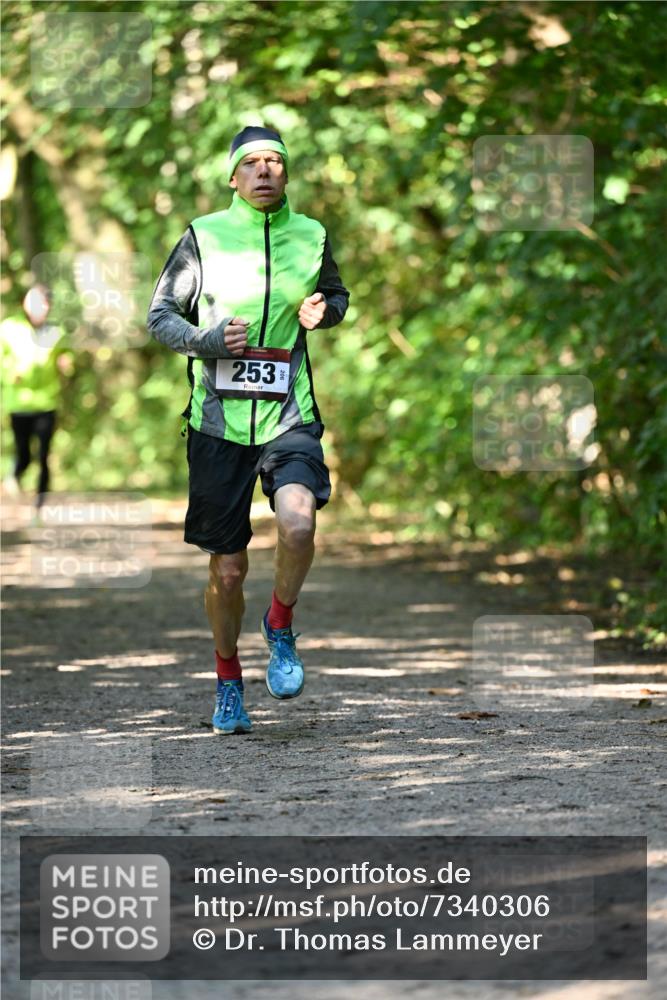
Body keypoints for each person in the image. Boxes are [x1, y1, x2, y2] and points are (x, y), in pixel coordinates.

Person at [147, 125, 350, 735]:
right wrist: (205, 341)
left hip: (290, 415)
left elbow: (334, 296)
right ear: (233, 177)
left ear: (286, 174)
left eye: (275, 162)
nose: (264, 171)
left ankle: (280, 623)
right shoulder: (202, 237)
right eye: (252, 163)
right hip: (218, 426)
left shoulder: (310, 235)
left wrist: (324, 311)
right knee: (227, 571)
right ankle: (228, 678)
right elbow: (160, 317)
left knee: (298, 521)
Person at [1, 284, 67, 513]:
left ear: (48, 306)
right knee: (24, 454)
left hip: (47, 402)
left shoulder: (56, 332)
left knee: (44, 455)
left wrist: (67, 364)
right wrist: (11, 373)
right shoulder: (8, 328)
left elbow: (66, 356)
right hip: (18, 403)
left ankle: (41, 503)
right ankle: (15, 474)